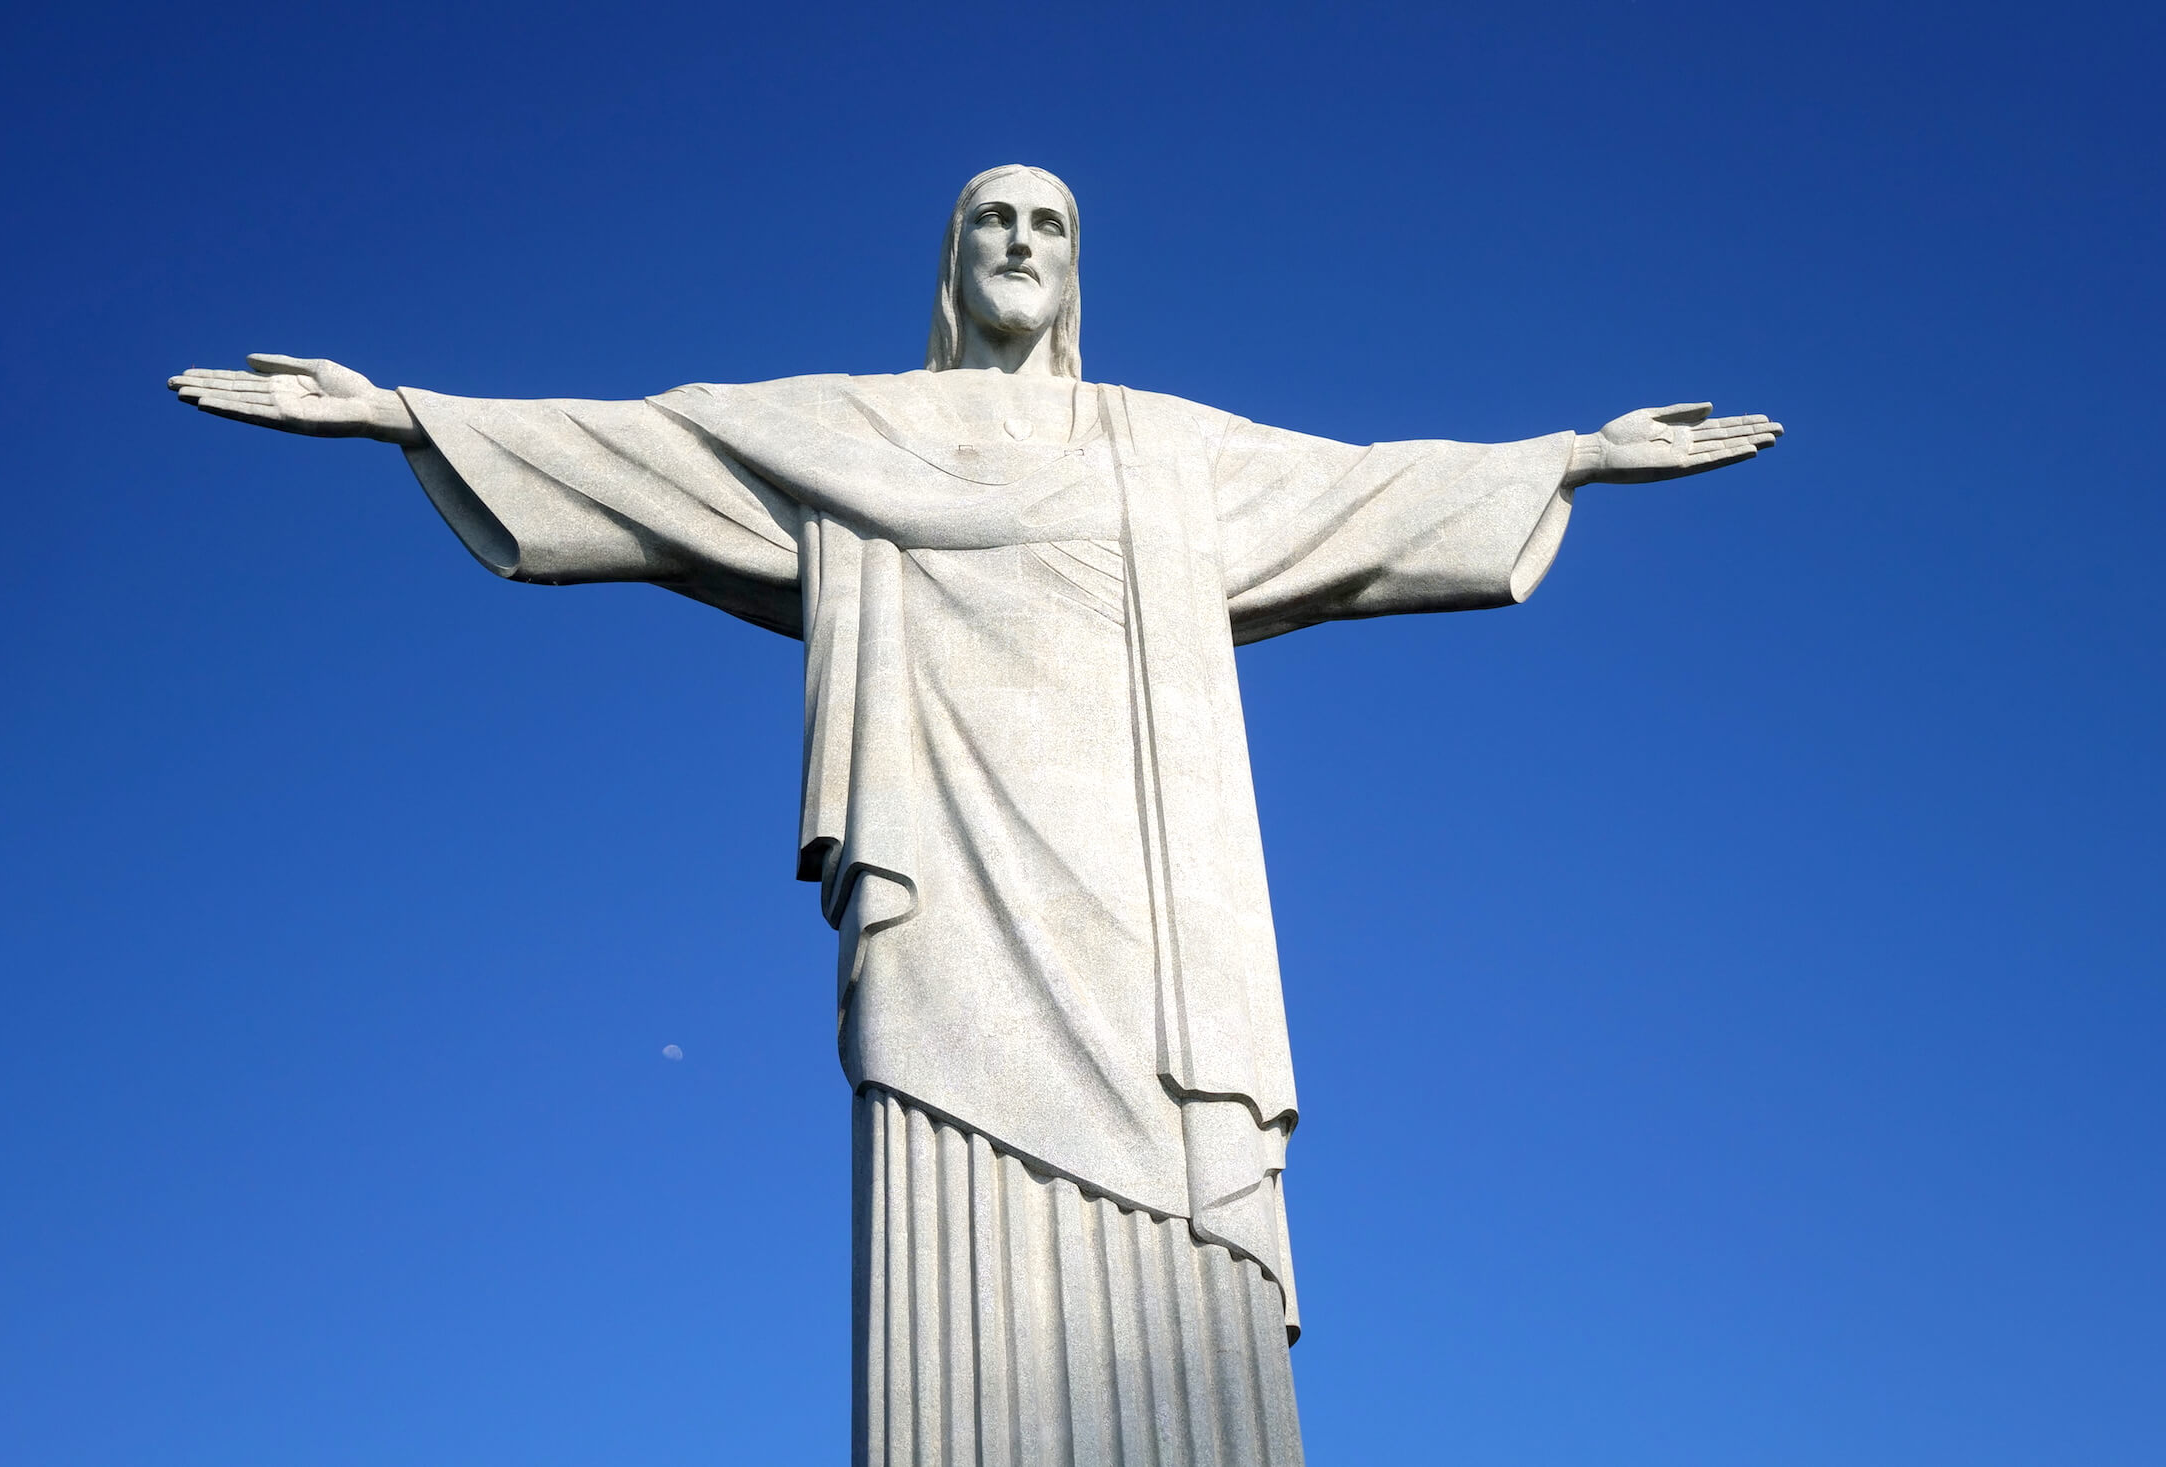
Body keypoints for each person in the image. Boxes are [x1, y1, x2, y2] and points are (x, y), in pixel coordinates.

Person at [171, 163, 1780, 1467]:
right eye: (993, 221)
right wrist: (406, 413)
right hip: (944, 888)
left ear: (1077, 272)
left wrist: (1570, 457)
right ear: (953, 265)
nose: (1020, 243)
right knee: (954, 1223)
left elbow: (1363, 489)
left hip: (1153, 906)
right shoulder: (852, 432)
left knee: (1180, 1245)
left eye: (1049, 226)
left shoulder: (1163, 451)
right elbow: (650, 447)